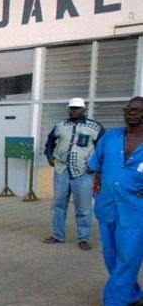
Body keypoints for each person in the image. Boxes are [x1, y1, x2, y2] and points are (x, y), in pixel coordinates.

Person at [88, 96, 143, 306]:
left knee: (128, 256)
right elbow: (95, 165)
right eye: (128, 109)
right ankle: (133, 296)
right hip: (108, 205)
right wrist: (99, 190)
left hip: (135, 210)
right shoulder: (110, 137)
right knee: (111, 256)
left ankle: (114, 305)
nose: (132, 113)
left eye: (137, 110)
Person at [43, 97, 104, 250]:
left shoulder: (94, 127)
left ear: (83, 109)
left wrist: (96, 166)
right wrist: (49, 156)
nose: (73, 111)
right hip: (62, 170)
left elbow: (103, 148)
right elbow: (49, 141)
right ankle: (58, 235)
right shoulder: (60, 126)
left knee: (83, 207)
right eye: (71, 108)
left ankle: (84, 238)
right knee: (58, 205)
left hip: (83, 172)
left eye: (77, 108)